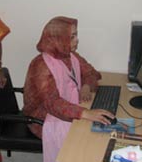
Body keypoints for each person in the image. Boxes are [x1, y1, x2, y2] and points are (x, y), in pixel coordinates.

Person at [23, 16, 116, 162]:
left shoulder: (70, 55)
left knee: (94, 129)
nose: (77, 40)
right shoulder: (40, 65)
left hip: (69, 107)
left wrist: (86, 86)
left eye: (76, 35)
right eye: (72, 37)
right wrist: (84, 113)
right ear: (58, 39)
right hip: (43, 118)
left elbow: (91, 73)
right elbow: (52, 103)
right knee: (86, 138)